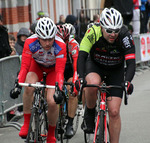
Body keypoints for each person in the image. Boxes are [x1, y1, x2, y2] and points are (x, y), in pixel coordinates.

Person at [76, 8, 136, 143]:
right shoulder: (93, 32)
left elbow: (131, 63)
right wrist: (80, 77)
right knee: (91, 83)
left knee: (114, 112)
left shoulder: (125, 36)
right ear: (101, 27)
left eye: (116, 31)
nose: (113, 34)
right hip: (95, 65)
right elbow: (81, 56)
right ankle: (90, 113)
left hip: (116, 70)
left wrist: (127, 81)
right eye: (109, 30)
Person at [10, 17, 67, 143]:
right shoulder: (30, 42)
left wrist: (59, 89)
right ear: (37, 37)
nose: (47, 43)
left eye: (50, 39)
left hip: (53, 70)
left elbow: (59, 72)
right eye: (44, 39)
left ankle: (51, 133)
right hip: (37, 67)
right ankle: (26, 123)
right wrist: (18, 84)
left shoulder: (60, 45)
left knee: (52, 102)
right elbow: (24, 67)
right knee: (29, 86)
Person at [56, 23, 79, 139]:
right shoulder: (52, 44)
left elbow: (76, 68)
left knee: (72, 91)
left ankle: (70, 123)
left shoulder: (73, 45)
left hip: (70, 68)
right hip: (56, 68)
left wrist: (75, 83)